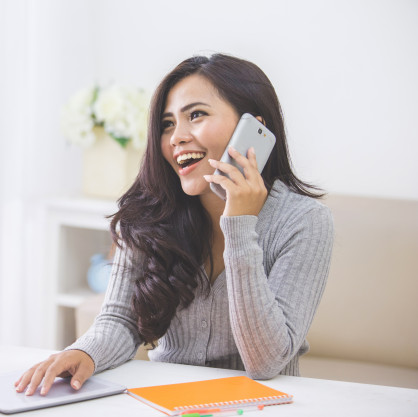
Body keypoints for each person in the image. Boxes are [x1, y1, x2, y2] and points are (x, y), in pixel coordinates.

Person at [16, 53, 334, 396]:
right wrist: (83, 353)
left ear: (254, 130)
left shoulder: (304, 221)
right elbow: (121, 320)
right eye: (167, 124)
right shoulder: (151, 212)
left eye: (196, 115)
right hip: (168, 399)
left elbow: (266, 362)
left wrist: (239, 226)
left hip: (261, 403)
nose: (175, 137)